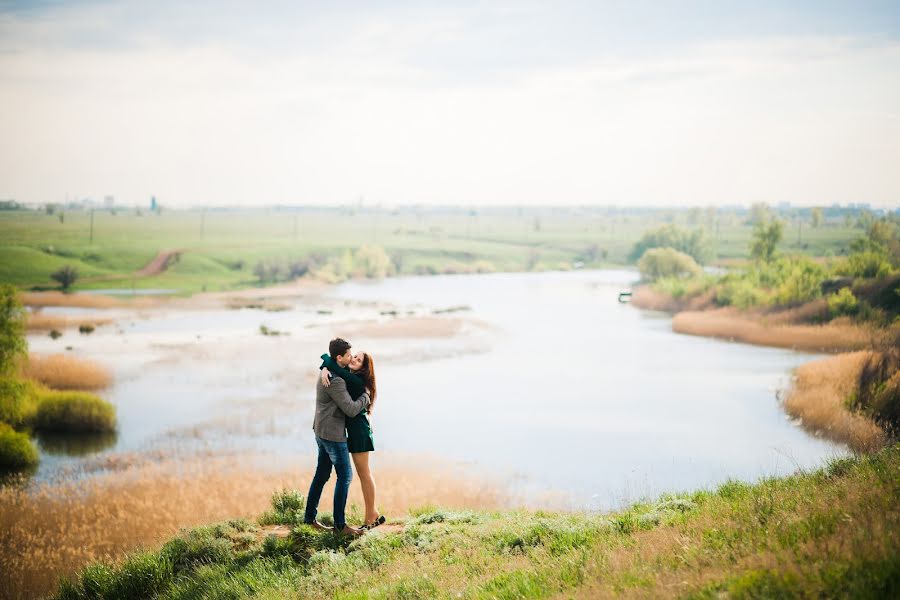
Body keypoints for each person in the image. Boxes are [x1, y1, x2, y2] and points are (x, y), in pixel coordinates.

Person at [303, 337, 370, 536]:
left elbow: (329, 365)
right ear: (339, 357)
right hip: (332, 435)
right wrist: (365, 397)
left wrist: (324, 366)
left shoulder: (329, 371)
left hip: (321, 431)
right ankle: (340, 527)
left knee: (322, 474)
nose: (351, 358)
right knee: (345, 476)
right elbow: (350, 409)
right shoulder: (336, 380)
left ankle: (309, 519)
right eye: (349, 355)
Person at [320, 349, 385, 530]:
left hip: (359, 431)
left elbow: (337, 368)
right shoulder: (352, 376)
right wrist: (324, 368)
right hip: (357, 429)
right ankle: (372, 513)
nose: (354, 359)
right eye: (354, 356)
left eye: (359, 359)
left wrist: (325, 360)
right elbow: (337, 369)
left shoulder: (357, 381)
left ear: (364, 368)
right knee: (363, 474)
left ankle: (371, 515)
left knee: (364, 473)